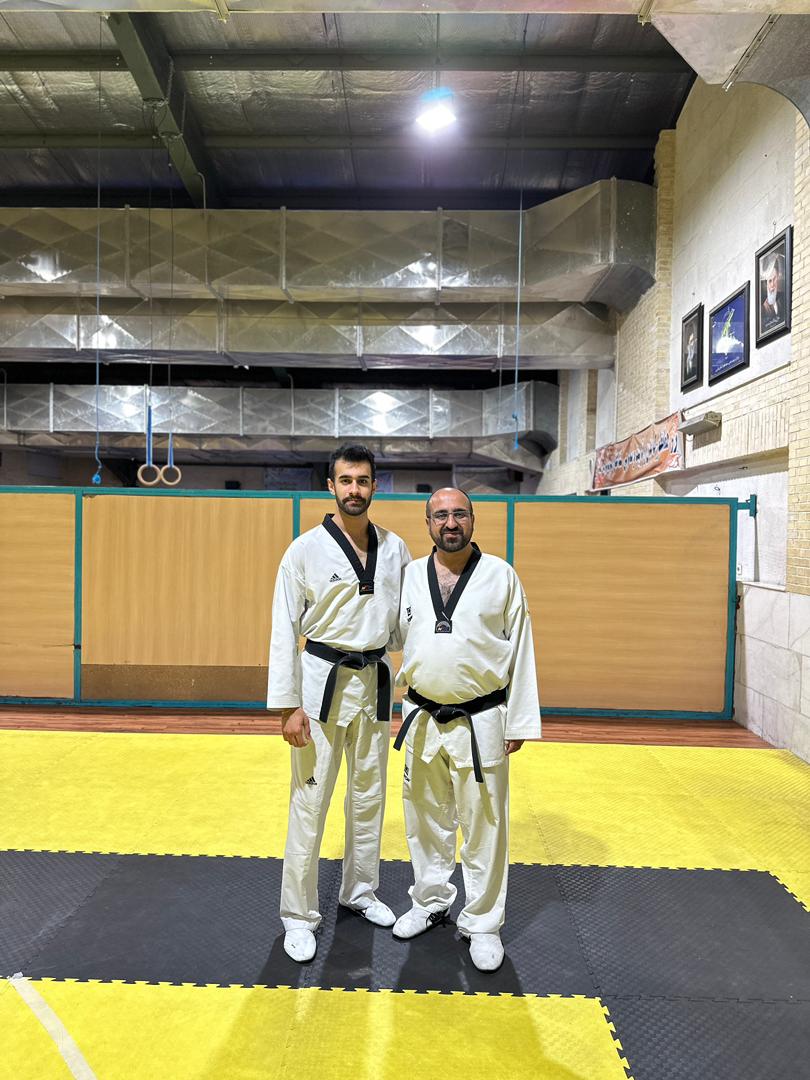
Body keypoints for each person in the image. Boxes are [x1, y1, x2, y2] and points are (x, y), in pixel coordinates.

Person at [267, 445, 410, 963]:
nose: (354, 489)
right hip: (319, 686)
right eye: (345, 480)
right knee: (310, 801)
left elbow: (405, 623)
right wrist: (288, 706)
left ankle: (360, 891)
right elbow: (284, 629)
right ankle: (298, 914)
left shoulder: (395, 549)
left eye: (363, 480)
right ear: (330, 486)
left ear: (374, 486)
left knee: (369, 796)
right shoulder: (304, 550)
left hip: (374, 683)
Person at [391, 487, 540, 972]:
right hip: (422, 717)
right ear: (427, 523)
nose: (450, 523)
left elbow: (522, 648)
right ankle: (430, 901)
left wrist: (520, 719)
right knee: (424, 819)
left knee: (485, 825)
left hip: (481, 719)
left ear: (473, 520)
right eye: (440, 516)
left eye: (459, 514)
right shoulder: (410, 576)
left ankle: (483, 922)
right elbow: (393, 636)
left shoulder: (501, 576)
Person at [761, 255, 784, 332]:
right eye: (770, 281)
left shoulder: (783, 298)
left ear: (778, 276)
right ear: (766, 283)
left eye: (774, 279)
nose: (772, 285)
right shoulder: (762, 308)